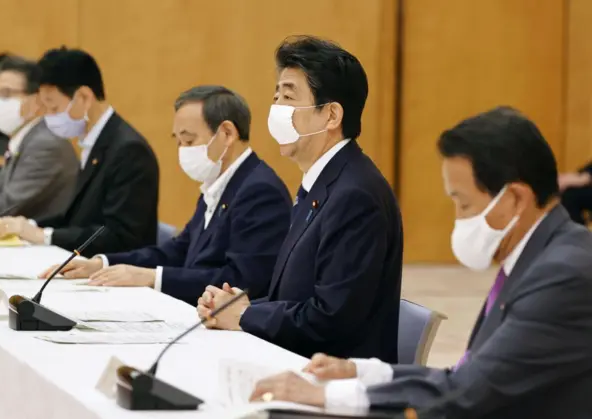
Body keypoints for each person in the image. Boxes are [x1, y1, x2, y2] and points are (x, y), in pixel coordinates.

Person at [248, 107, 592, 419]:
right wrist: (360, 371)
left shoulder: (564, 273)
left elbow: (467, 391)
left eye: (465, 204)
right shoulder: (541, 254)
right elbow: (468, 374)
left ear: (516, 197)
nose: (458, 219)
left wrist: (325, 395)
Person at [196, 36, 403, 362]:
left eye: (289, 96)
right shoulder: (322, 184)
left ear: (331, 115)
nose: (276, 107)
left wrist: (245, 316)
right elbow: (295, 296)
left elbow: (331, 319)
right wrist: (237, 306)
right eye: (276, 95)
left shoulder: (355, 195)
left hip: (329, 381)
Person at [40, 85, 291, 305]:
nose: (182, 151)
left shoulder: (259, 190)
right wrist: (103, 263)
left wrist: (152, 278)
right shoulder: (220, 182)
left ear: (226, 134)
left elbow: (242, 281)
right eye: (178, 141)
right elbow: (179, 250)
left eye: (189, 141)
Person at [0, 47, 159, 257]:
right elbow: (75, 218)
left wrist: (43, 236)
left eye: (54, 108)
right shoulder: (92, 143)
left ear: (83, 97)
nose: (49, 117)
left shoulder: (129, 150)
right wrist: (29, 225)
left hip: (117, 274)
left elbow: (119, 236)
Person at [0, 56, 79, 218]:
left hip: (44, 239)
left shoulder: (46, 144)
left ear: (37, 100)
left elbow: (5, 205)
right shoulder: (28, 138)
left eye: (6, 94)